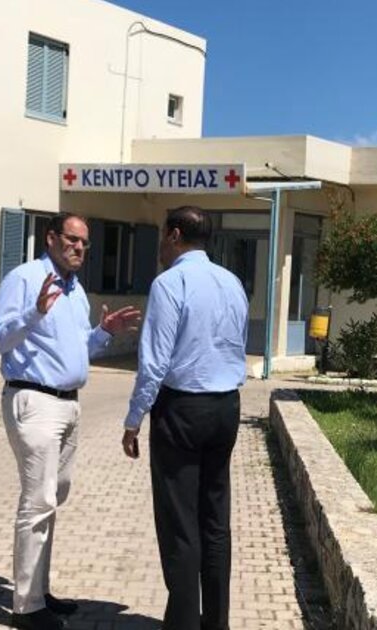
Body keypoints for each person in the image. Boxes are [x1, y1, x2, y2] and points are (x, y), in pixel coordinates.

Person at [0, 212, 141, 630]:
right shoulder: (24, 279)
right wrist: (32, 314)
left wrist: (104, 331)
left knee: (56, 494)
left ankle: (39, 590)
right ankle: (27, 607)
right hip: (33, 399)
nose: (80, 248)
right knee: (38, 501)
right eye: (72, 240)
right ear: (51, 238)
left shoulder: (76, 291)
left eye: (85, 243)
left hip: (69, 404)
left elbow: (76, 348)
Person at [122, 206, 249, 630]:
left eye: (163, 236)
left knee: (179, 521)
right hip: (226, 406)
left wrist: (134, 417)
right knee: (215, 519)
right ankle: (216, 623)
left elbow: (154, 362)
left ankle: (182, 624)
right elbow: (236, 345)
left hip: (182, 408)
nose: (160, 246)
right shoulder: (232, 282)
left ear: (174, 235)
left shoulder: (169, 283)